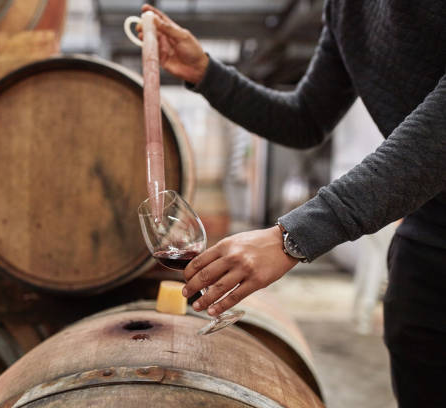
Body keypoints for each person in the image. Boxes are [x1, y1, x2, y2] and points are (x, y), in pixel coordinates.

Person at [137, 2, 446, 406]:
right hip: (427, 248)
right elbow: (305, 118)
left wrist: (294, 235)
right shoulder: (347, 9)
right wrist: (206, 74)